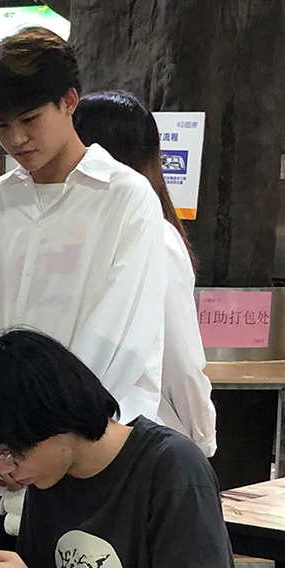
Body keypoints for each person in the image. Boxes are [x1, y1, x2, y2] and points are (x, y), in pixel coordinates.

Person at [0, 27, 167, 552]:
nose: (16, 138)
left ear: (69, 101)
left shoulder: (126, 198)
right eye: (2, 125)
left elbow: (118, 337)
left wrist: (36, 443)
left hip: (86, 465)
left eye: (29, 119)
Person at [0, 329, 242, 568]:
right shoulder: (47, 476)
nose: (4, 471)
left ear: (55, 417)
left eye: (8, 453)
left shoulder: (173, 467)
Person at [73, 90, 216, 457]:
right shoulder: (155, 234)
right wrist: (203, 439)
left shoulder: (67, 230)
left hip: (79, 434)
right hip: (138, 438)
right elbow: (182, 361)